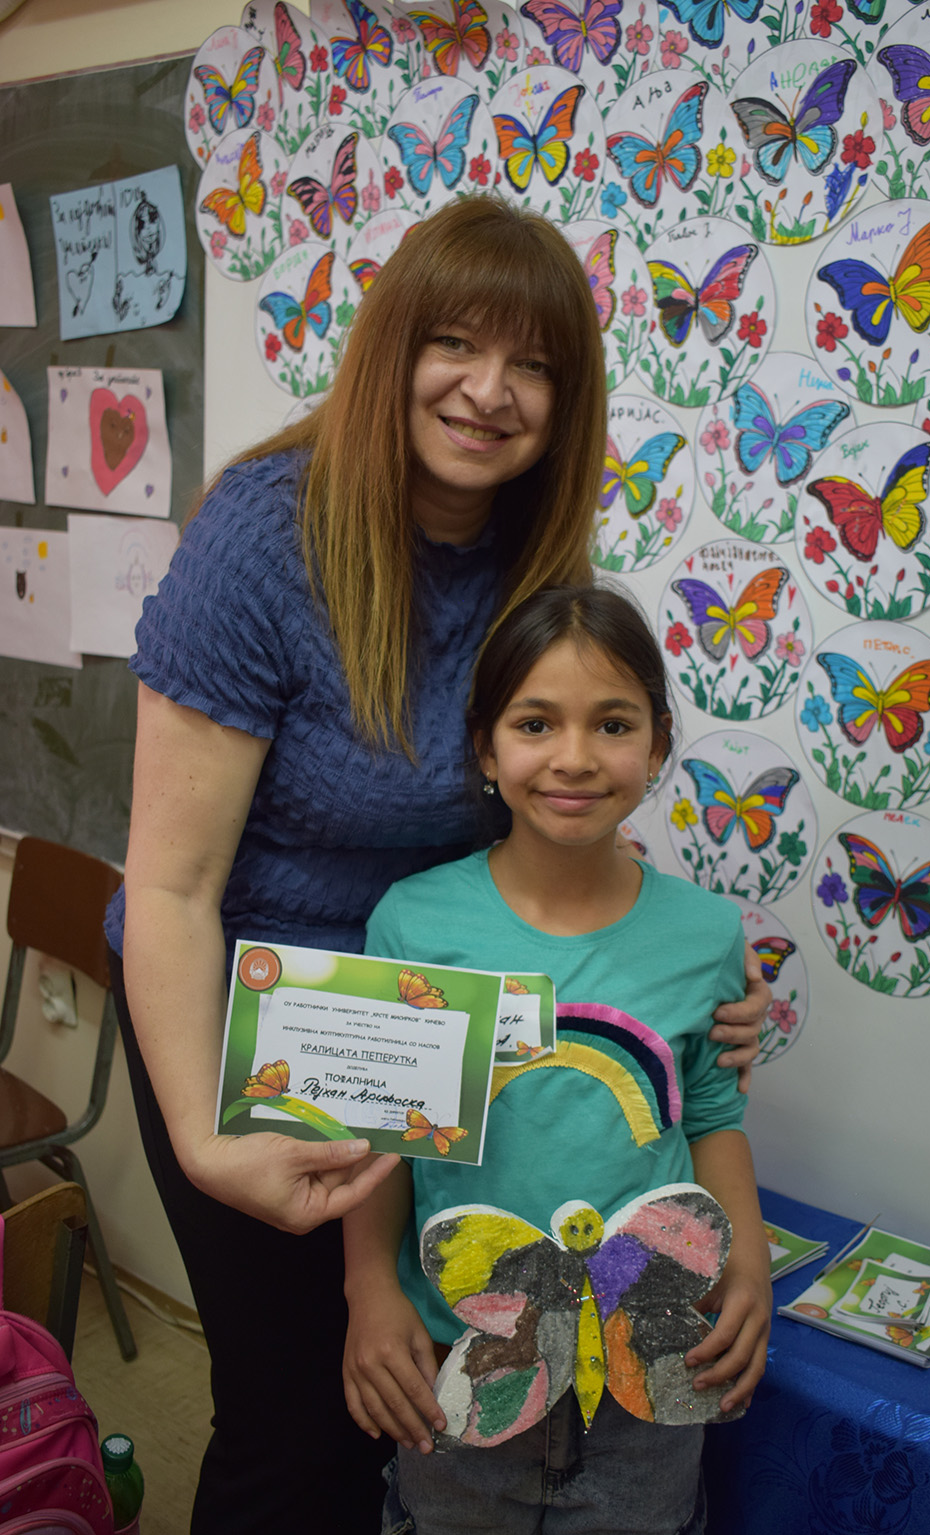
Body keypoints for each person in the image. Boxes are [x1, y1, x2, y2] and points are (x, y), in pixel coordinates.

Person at [104, 195, 769, 1535]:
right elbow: (171, 888)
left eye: (533, 363)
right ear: (392, 347)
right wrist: (205, 1140)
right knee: (298, 1417)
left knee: (430, 1383)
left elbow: (547, 801)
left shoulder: (536, 552)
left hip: (440, 1009)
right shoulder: (267, 534)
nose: (489, 389)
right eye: (455, 342)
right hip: (256, 1019)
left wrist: (679, 985)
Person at [344, 585, 772, 1535]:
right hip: (465, 1361)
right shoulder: (417, 922)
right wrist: (369, 1289)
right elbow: (381, 1134)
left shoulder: (705, 932)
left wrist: (750, 1264)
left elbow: (713, 1114)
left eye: (612, 724)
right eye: (535, 723)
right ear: (485, 747)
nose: (574, 757)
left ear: (657, 745)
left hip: (651, 1370)